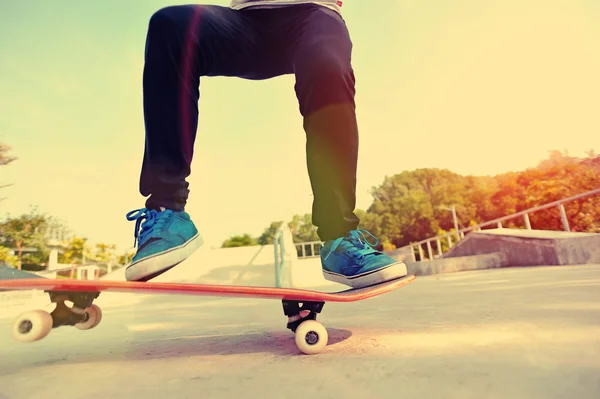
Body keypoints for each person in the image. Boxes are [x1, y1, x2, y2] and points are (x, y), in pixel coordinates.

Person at [125, 0, 408, 288]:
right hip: (245, 23)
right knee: (171, 25)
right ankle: (167, 213)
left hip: (313, 17)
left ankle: (339, 238)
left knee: (327, 65)